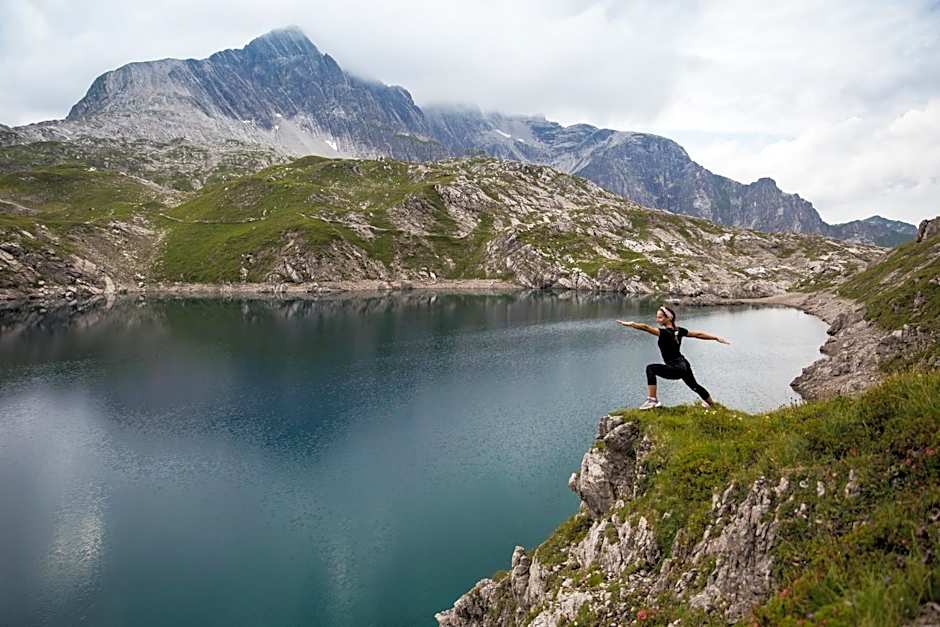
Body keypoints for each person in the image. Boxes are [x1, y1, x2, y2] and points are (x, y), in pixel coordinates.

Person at [616, 305, 730, 410]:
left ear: (668, 318)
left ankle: (652, 400)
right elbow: (698, 334)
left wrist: (631, 324)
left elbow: (646, 327)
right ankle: (712, 405)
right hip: (684, 364)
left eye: (660, 318)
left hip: (676, 367)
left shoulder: (664, 333)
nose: (657, 320)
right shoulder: (678, 331)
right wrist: (715, 337)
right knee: (694, 385)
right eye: (657, 317)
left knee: (650, 369)